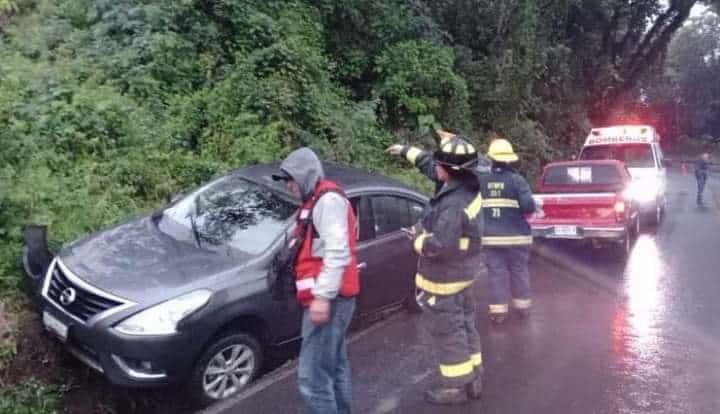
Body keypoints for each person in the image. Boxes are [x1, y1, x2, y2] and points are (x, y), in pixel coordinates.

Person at [389, 133, 485, 405]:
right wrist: (406, 150)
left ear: (450, 171)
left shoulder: (453, 204)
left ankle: (455, 388)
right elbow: (429, 165)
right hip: (463, 275)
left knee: (447, 333)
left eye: (440, 165)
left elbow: (440, 245)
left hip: (445, 280)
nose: (436, 168)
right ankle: (474, 378)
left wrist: (416, 239)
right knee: (465, 326)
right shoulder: (466, 185)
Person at [272, 147, 359, 414]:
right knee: (334, 367)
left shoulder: (327, 203)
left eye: (291, 180)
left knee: (312, 379)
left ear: (305, 176)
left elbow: (337, 251)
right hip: (334, 299)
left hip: (330, 301)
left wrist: (322, 297)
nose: (289, 186)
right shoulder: (317, 201)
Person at [481, 138, 536, 324]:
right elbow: (529, 207)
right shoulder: (517, 180)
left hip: (491, 239)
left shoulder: (483, 181)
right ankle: (522, 309)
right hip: (517, 239)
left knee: (496, 273)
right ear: (509, 159)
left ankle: (498, 313)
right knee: (519, 271)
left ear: (491, 159)